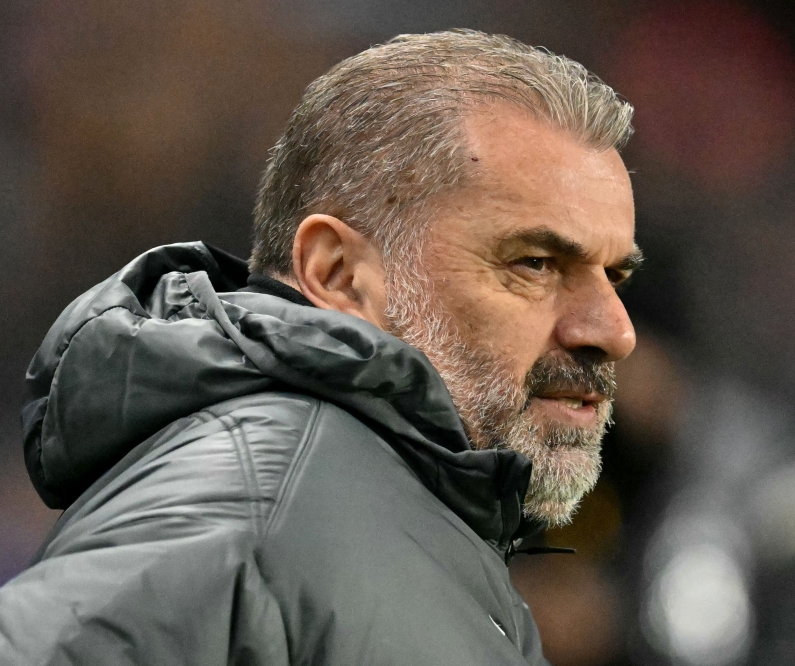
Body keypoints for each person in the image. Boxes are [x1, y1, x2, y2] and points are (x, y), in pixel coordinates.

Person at [0, 29, 640, 665]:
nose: (614, 330)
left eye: (614, 277)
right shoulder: (253, 497)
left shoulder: (380, 499)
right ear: (338, 274)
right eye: (534, 263)